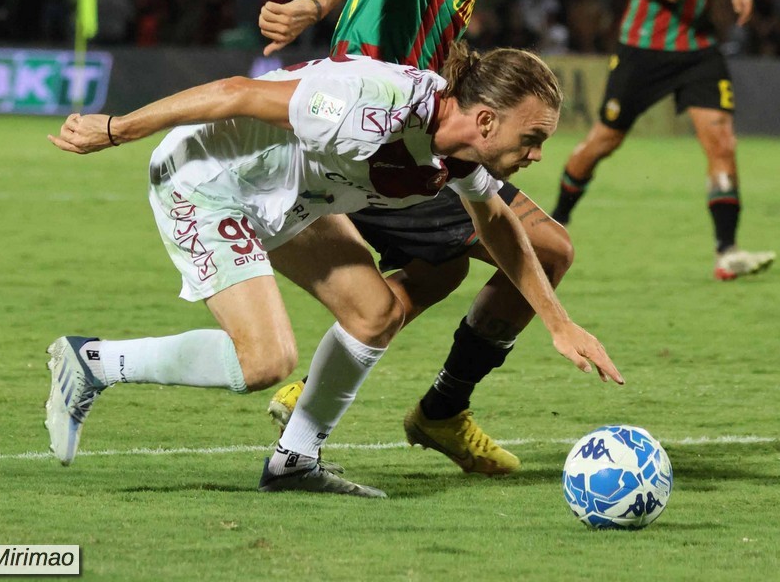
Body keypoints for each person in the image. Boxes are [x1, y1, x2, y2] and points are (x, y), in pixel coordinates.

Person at [43, 45, 623, 498]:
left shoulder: (456, 145)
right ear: (489, 121)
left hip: (289, 193)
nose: (538, 154)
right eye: (534, 138)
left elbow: (499, 225)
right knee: (265, 361)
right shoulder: (373, 107)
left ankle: (294, 462)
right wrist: (114, 128)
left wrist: (559, 324)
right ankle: (93, 362)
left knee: (375, 313)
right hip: (209, 180)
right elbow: (235, 93)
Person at [257, 0, 577, 476]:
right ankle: (439, 410)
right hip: (383, 140)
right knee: (546, 248)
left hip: (367, 134)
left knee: (439, 271)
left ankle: (330, 380)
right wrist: (314, 4)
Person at [548, 0, 775, 281]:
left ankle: (727, 251)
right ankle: (555, 221)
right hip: (644, 46)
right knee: (603, 141)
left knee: (722, 142)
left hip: (699, 46)